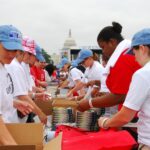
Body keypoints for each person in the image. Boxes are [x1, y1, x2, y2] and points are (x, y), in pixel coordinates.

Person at [99, 28, 150, 150]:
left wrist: (105, 122)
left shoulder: (143, 74)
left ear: (142, 49)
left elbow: (125, 116)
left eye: (134, 53)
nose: (135, 58)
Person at [77, 22, 141, 112]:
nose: (103, 51)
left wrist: (90, 103)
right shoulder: (127, 52)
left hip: (135, 112)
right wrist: (98, 83)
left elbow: (120, 95)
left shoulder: (124, 58)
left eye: (103, 47)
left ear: (112, 42)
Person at [0, 25, 33, 145]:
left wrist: (13, 103)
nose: (11, 54)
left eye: (15, 50)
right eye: (7, 49)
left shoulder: (4, 67)